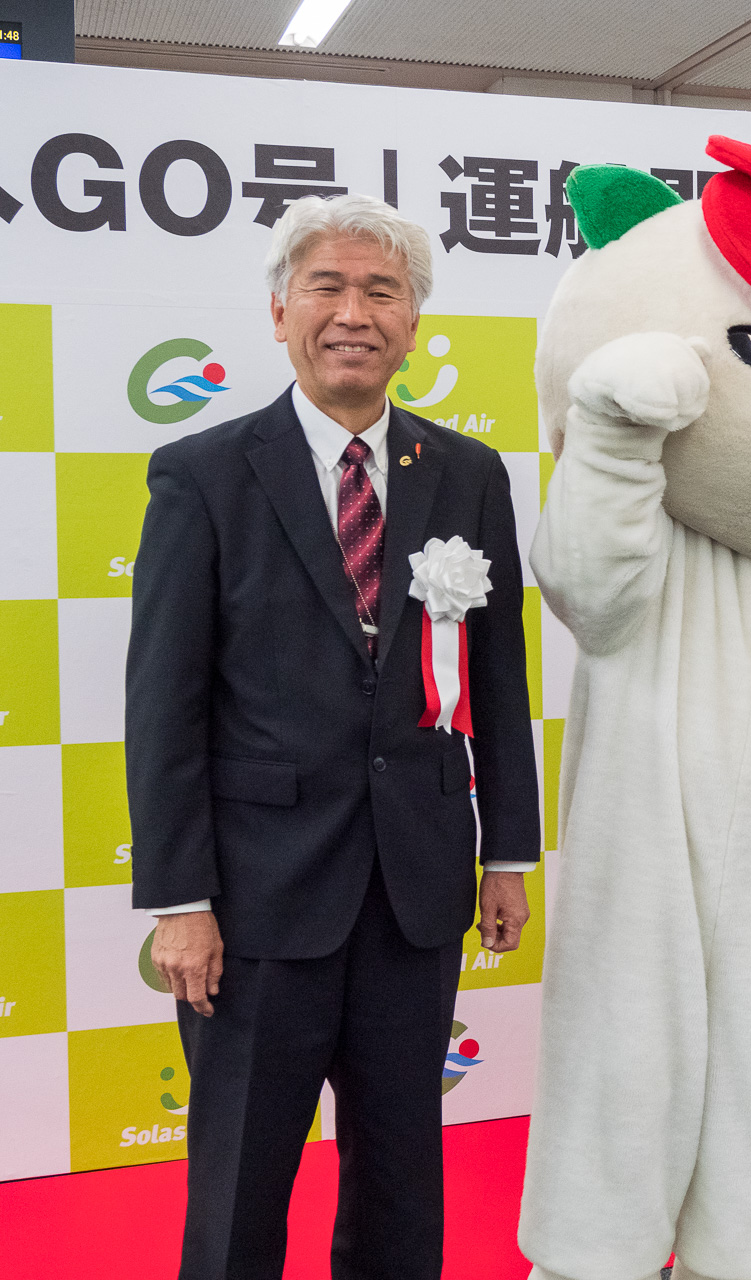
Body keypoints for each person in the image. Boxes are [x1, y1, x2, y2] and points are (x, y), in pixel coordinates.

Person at [126, 192, 542, 1280]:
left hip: (415, 889)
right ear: (279, 312)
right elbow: (160, 703)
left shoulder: (467, 473)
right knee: (240, 1181)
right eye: (328, 286)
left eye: (381, 291)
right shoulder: (204, 473)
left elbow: (497, 679)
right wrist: (180, 901)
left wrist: (506, 853)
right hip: (257, 904)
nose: (353, 312)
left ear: (413, 324)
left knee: (403, 1172)